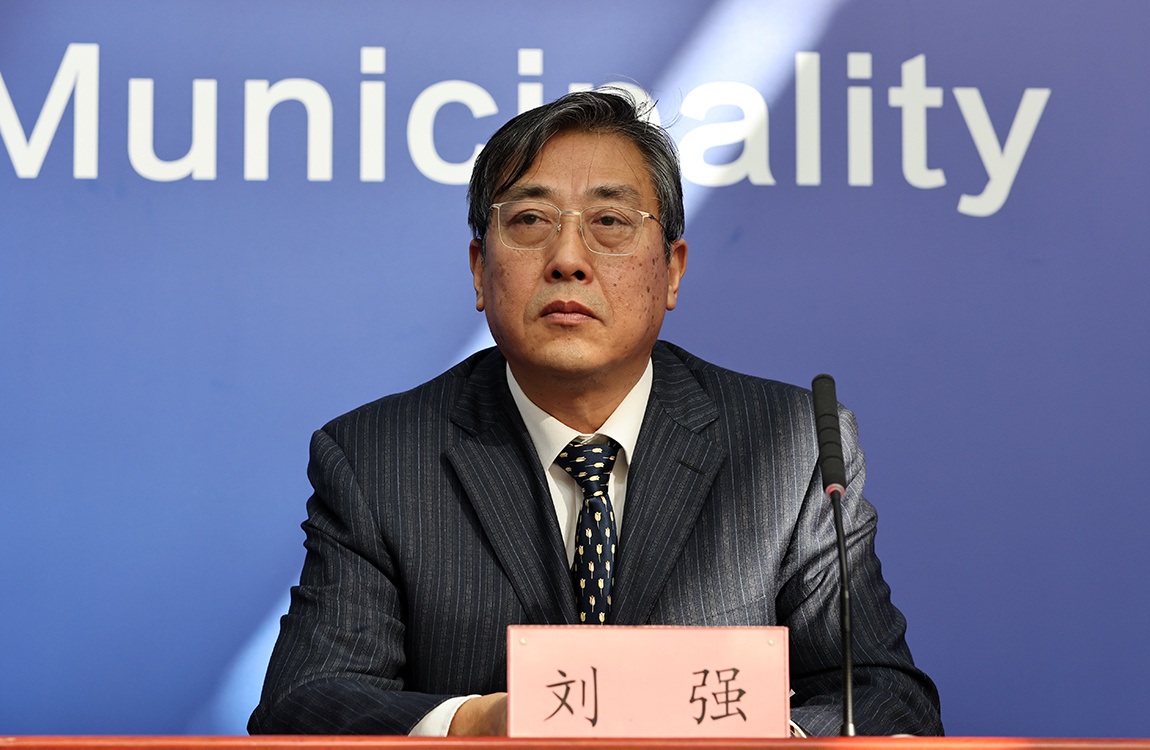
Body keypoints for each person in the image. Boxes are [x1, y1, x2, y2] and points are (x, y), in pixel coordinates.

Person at [248, 90, 942, 737]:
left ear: (672, 271)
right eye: (530, 221)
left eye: (610, 222)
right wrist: (477, 724)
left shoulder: (789, 446)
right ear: (479, 270)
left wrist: (748, 738)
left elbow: (885, 697)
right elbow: (304, 701)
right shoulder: (378, 458)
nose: (568, 259)